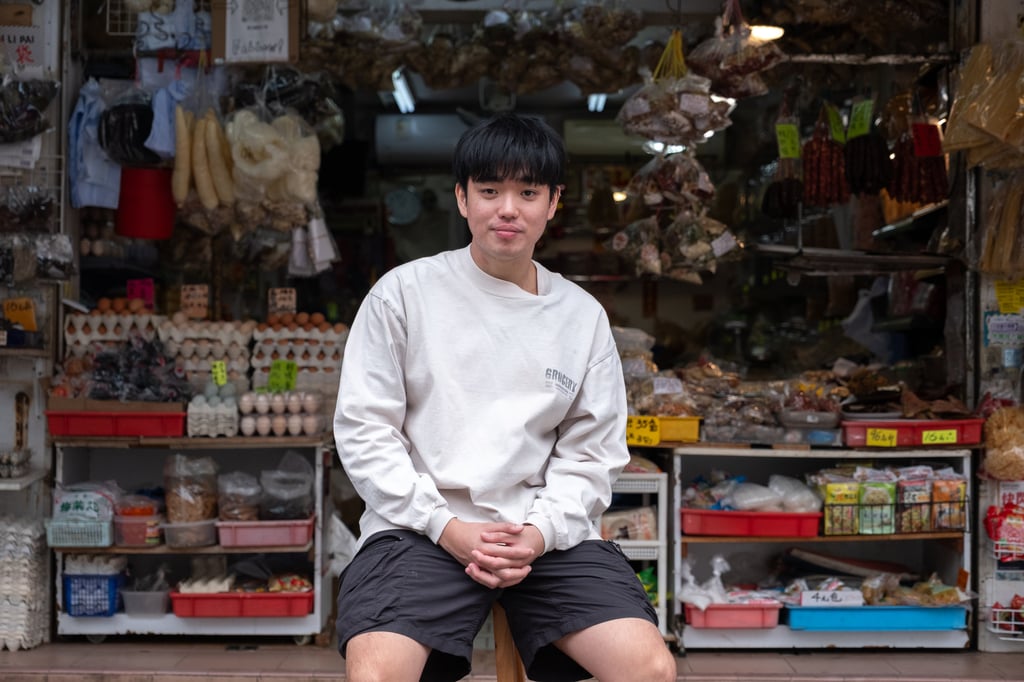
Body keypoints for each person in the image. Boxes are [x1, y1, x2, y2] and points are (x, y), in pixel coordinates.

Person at [332, 112, 677, 682]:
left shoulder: (580, 317)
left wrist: (539, 534)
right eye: (490, 190)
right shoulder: (404, 294)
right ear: (463, 199)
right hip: (421, 529)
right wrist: (447, 526)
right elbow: (365, 432)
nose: (508, 208)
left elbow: (593, 454)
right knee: (377, 674)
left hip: (547, 537)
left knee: (648, 669)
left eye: (527, 191)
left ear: (553, 202)